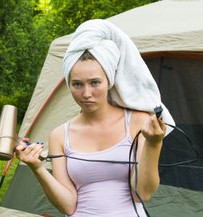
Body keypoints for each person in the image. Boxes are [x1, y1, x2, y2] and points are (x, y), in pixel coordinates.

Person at [15, 19, 174, 217]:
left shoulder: (138, 122)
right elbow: (68, 206)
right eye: (77, 84)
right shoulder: (59, 135)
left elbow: (143, 193)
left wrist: (153, 143)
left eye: (95, 82)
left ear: (109, 81)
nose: (87, 93)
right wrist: (37, 168)